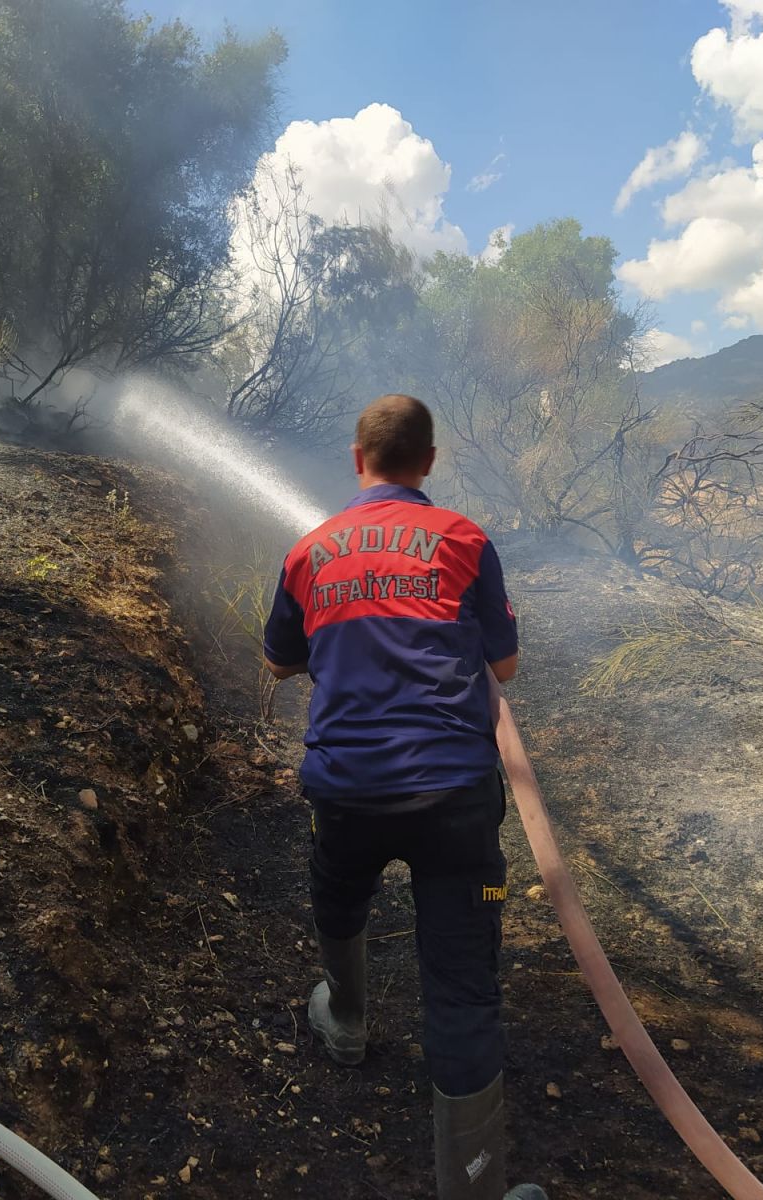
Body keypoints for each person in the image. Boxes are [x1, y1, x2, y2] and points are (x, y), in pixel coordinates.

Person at [262, 394, 545, 1200]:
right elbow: (507, 666)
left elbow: (280, 661)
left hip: (344, 797)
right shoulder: (466, 540)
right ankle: (474, 1186)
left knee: (337, 891)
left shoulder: (309, 551)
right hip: (457, 802)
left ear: (358, 460)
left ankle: (345, 1019)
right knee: (462, 975)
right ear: (428, 462)